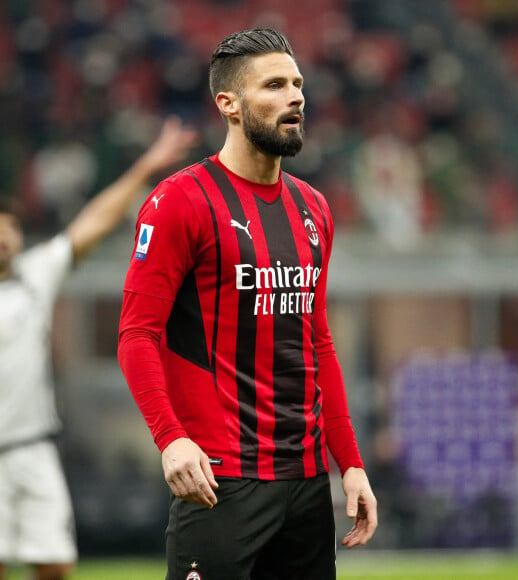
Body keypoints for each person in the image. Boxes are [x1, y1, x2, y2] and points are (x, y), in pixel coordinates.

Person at [118, 28, 378, 580]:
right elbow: (137, 333)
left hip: (307, 485)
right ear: (228, 105)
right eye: (275, 85)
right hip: (220, 481)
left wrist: (349, 462)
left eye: (299, 84)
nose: (296, 97)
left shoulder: (313, 209)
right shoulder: (179, 202)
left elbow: (318, 342)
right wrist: (170, 438)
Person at [0, 117, 197, 580]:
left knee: (56, 564)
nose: (4, 238)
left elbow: (92, 222)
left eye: (9, 228)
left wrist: (147, 165)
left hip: (33, 446)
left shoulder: (34, 276)